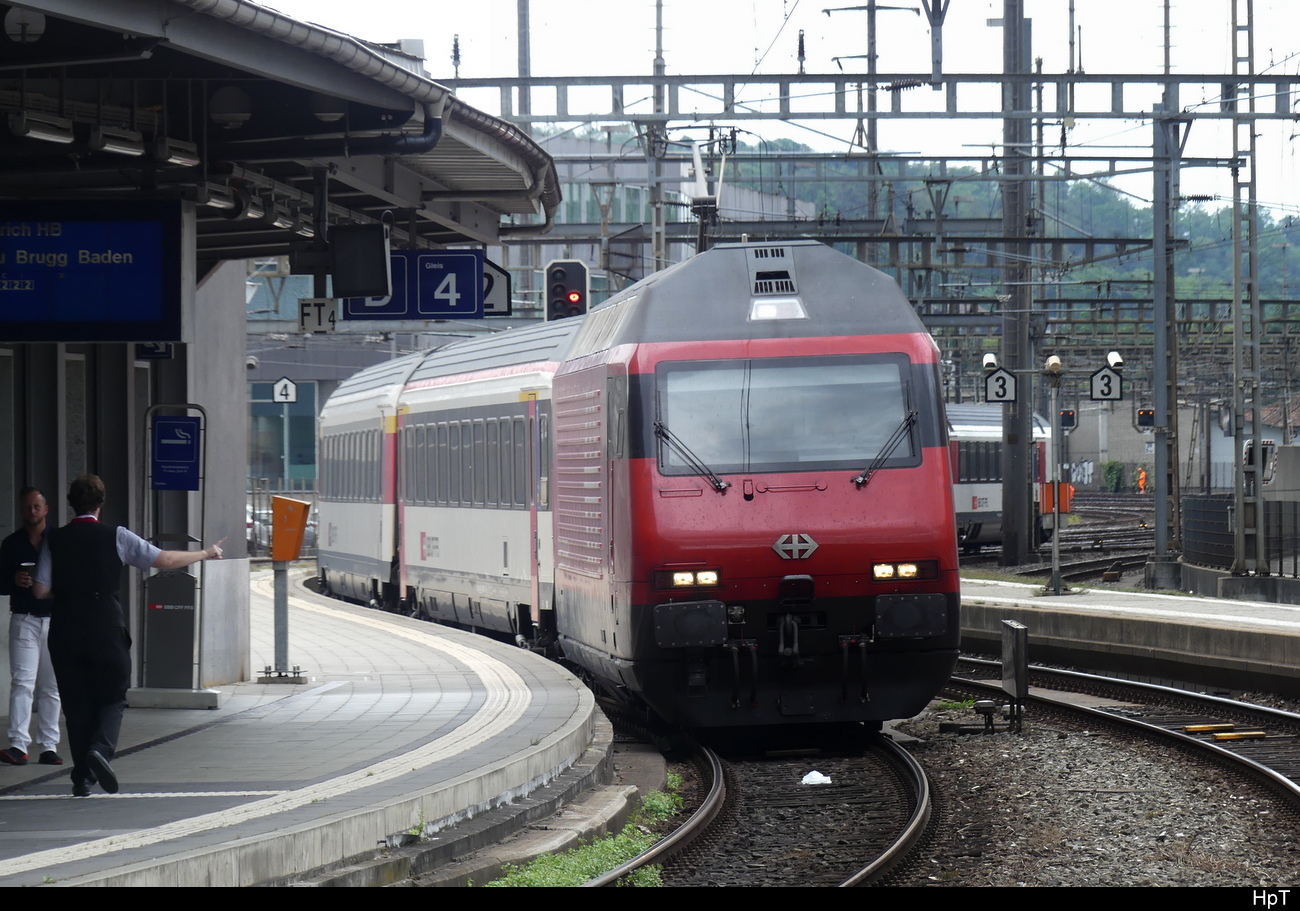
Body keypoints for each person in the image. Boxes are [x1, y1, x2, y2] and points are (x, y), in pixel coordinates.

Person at [33, 474, 225, 797]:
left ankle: (81, 778)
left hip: (65, 629)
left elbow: (39, 590)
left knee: (76, 704)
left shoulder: (55, 540)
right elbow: (163, 559)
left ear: (70, 503)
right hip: (105, 626)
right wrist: (206, 553)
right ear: (101, 504)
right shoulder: (117, 537)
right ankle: (101, 749)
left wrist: (68, 588)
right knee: (113, 695)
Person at [0, 488, 61, 767]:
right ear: (22, 511)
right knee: (22, 683)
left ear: (46, 509)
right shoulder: (11, 544)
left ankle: (49, 746)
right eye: (28, 508)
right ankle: (17, 745)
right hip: (24, 618)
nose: (32, 512)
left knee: (51, 686)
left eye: (37, 507)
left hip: (54, 619)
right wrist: (14, 579)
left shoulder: (59, 541)